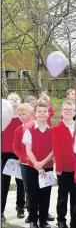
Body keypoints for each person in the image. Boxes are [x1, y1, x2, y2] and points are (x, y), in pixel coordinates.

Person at [23, 101, 54, 228]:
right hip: (32, 167)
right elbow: (28, 150)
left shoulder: (52, 131)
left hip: (47, 167)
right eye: (39, 111)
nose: (42, 113)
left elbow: (54, 150)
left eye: (44, 111)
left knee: (45, 195)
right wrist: (37, 164)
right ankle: (33, 221)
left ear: (48, 114)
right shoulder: (29, 130)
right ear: (35, 114)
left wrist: (43, 163)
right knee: (32, 195)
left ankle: (43, 221)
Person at [52, 101, 76, 228]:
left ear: (75, 112)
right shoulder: (56, 129)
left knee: (75, 196)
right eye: (65, 109)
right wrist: (59, 168)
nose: (68, 111)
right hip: (64, 168)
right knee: (62, 196)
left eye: (71, 109)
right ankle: (61, 220)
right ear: (61, 112)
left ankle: (74, 219)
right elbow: (56, 150)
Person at [2, 93, 25, 222]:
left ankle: (20, 207)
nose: (15, 100)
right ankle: (1, 211)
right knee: (4, 183)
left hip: (20, 154)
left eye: (17, 98)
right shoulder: (3, 118)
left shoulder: (23, 119)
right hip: (4, 153)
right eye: (12, 98)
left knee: (20, 182)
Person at [13, 103, 34, 223]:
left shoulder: (37, 127)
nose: (21, 116)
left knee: (41, 188)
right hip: (25, 164)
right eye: (19, 114)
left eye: (24, 113)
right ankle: (31, 213)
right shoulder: (18, 130)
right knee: (28, 189)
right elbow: (15, 147)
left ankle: (44, 212)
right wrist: (22, 156)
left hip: (39, 162)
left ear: (31, 113)